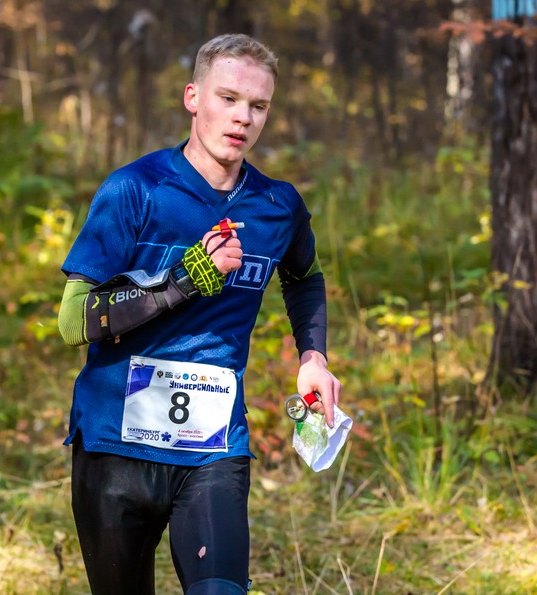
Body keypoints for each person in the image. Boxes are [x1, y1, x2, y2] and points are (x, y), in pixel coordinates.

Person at [57, 33, 342, 595]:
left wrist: (313, 357)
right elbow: (73, 322)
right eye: (228, 98)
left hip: (213, 447)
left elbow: (304, 278)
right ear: (193, 97)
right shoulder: (135, 190)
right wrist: (186, 281)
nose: (242, 118)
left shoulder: (278, 206)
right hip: (114, 447)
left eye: (258, 106)